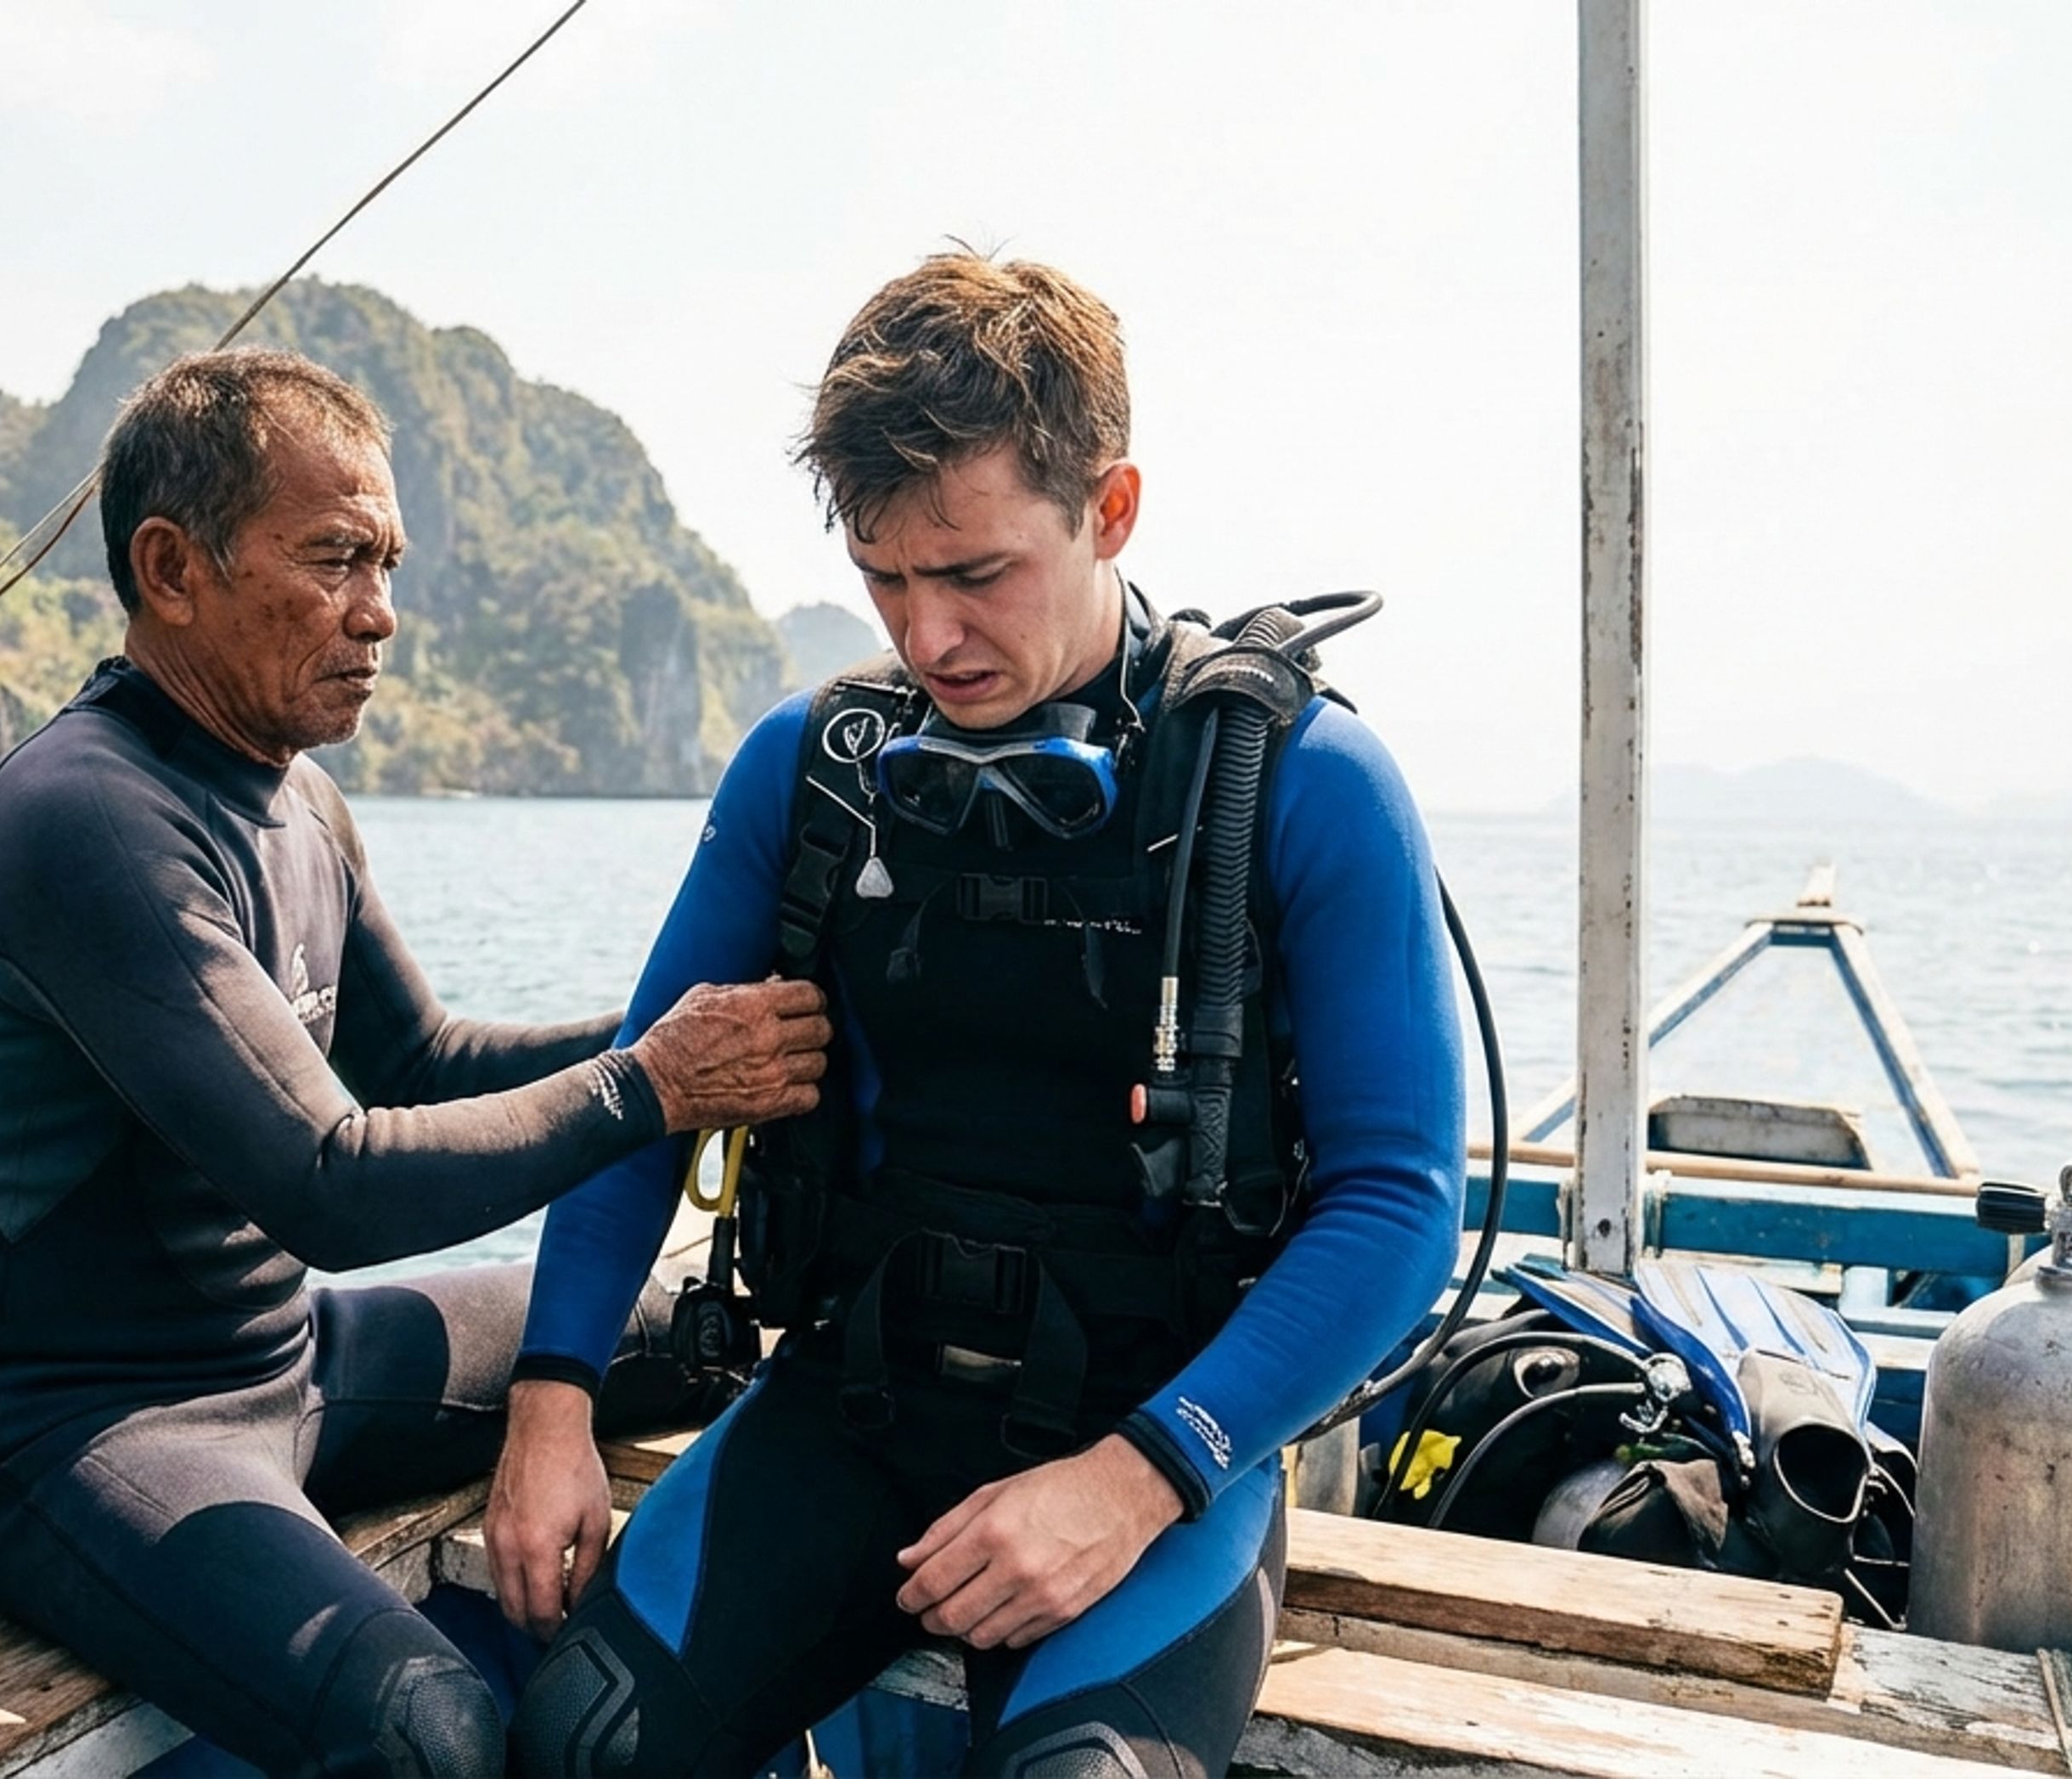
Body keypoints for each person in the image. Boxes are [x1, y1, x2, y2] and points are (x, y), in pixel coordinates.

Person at [488, 255, 1467, 1778]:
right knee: (582, 1747)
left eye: (978, 573)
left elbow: (1401, 1199)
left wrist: (1143, 1477)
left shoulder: (1299, 789)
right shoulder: (808, 773)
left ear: (1112, 510)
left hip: (1161, 1437)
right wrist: (550, 1400)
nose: (929, 637)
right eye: (886, 578)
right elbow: (646, 1099)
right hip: (851, 1405)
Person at [0, 347, 831, 1778]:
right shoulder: (86, 818)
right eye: (335, 559)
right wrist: (657, 1083)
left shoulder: (299, 799)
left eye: (388, 563)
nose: (381, 613)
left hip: (289, 1363)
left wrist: (701, 1026)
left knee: (693, 1332)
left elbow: (425, 1062)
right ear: (171, 568)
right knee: (427, 1729)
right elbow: (334, 1186)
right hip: (71, 1430)